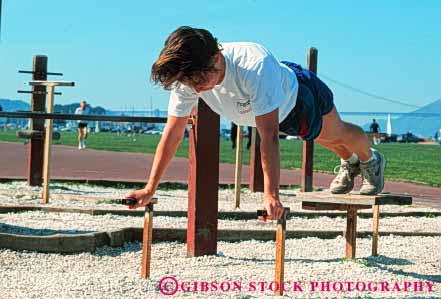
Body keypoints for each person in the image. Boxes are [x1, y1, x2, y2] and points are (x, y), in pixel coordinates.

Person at [125, 26, 386, 220]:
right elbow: (172, 134)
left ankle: (369, 159)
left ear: (216, 57)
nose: (196, 89)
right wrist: (150, 187)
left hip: (299, 99)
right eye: (190, 84)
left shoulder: (254, 66)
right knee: (321, 139)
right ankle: (349, 163)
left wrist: (271, 195)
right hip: (275, 112)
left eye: (199, 81)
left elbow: (269, 135)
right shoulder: (189, 77)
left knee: (337, 134)